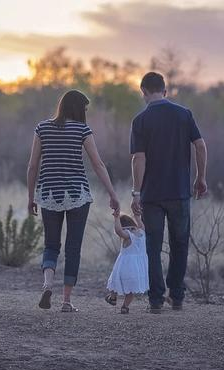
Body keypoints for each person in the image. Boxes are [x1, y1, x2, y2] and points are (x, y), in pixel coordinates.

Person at [27, 89, 120, 312]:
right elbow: (98, 164)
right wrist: (112, 194)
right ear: (78, 109)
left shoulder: (42, 128)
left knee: (51, 244)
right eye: (85, 109)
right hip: (77, 194)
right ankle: (66, 301)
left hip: (49, 193)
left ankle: (48, 284)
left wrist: (31, 197)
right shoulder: (82, 130)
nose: (86, 113)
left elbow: (32, 166)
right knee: (73, 247)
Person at [130, 72, 208, 314]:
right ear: (165, 90)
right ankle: (177, 296)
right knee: (180, 244)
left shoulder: (140, 120)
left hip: (152, 195)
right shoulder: (183, 114)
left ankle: (155, 300)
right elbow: (200, 145)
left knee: (152, 246)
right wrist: (200, 177)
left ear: (143, 91)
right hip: (179, 191)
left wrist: (136, 192)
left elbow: (138, 159)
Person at [105, 212, 149, 314]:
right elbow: (141, 224)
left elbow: (118, 231)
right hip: (138, 268)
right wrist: (137, 216)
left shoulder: (128, 235)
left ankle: (113, 297)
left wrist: (116, 218)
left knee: (116, 280)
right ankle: (125, 306)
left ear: (123, 226)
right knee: (131, 289)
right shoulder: (142, 232)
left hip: (125, 266)